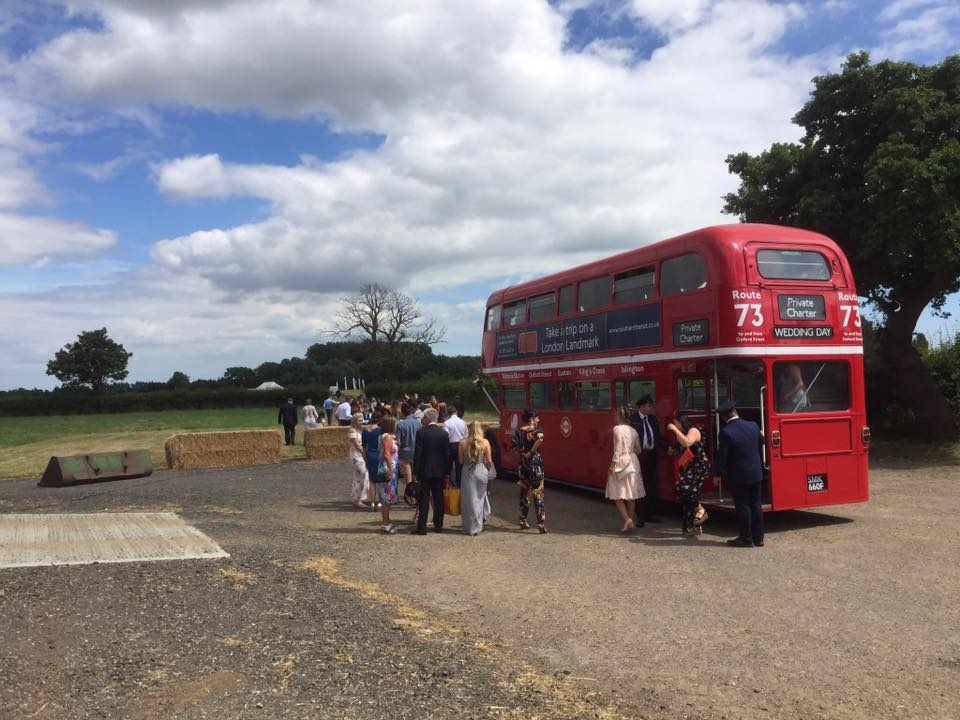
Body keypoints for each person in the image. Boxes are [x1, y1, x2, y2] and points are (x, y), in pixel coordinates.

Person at [715, 399, 765, 547]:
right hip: (756, 472)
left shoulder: (725, 432)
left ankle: (746, 538)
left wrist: (717, 474)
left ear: (723, 417)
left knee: (743, 505)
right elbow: (761, 442)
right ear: (736, 411)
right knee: (756, 504)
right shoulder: (753, 425)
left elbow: (722, 455)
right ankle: (759, 538)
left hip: (739, 475)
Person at [665, 414, 711, 535]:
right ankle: (692, 525)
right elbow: (679, 447)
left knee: (681, 487)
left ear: (682, 423)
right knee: (686, 495)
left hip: (700, 466)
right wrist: (672, 449)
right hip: (689, 467)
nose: (675, 426)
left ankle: (699, 508)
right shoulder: (682, 433)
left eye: (676, 423)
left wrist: (674, 430)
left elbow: (687, 442)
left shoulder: (693, 431)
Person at [411, 408, 451, 534]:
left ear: (428, 418)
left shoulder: (421, 433)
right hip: (440, 470)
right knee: (438, 498)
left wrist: (415, 471)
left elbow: (418, 453)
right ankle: (438, 525)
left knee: (424, 498)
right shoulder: (443, 434)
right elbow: (447, 455)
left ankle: (422, 526)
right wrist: (447, 471)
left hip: (425, 469)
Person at [607, 406, 644, 533]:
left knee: (617, 492)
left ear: (618, 416)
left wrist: (612, 465)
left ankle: (627, 519)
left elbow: (617, 449)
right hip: (633, 461)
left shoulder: (617, 429)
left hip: (622, 460)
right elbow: (639, 449)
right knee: (631, 494)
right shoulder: (634, 431)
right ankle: (629, 520)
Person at [630, 394, 664, 524]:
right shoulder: (633, 420)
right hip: (639, 456)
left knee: (651, 486)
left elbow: (658, 438)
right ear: (642, 406)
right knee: (639, 486)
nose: (651, 408)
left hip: (651, 455)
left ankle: (649, 514)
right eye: (649, 406)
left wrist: (667, 448)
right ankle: (640, 516)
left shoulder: (653, 419)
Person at [511, 409, 546, 533]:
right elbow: (540, 440)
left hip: (523, 466)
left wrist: (522, 453)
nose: (538, 420)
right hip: (536, 465)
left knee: (524, 494)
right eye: (537, 417)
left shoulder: (518, 432)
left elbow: (513, 448)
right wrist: (531, 452)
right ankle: (541, 523)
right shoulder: (538, 430)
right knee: (538, 493)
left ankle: (522, 519)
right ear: (532, 418)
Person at [459, 420, 493, 536]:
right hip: (481, 470)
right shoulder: (486, 442)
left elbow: (460, 461)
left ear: (469, 429)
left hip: (468, 470)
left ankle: (469, 527)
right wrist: (486, 470)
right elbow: (489, 461)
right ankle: (478, 526)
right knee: (479, 499)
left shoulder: (463, 442)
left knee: (469, 500)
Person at [372, 415, 400, 533]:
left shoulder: (386, 436)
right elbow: (387, 454)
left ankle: (387, 521)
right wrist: (390, 469)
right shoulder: (387, 437)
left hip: (389, 467)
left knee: (388, 496)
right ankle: (385, 523)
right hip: (388, 468)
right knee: (386, 497)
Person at [347, 413, 371, 508]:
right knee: (364, 474)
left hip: (361, 454)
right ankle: (359, 499)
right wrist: (365, 455)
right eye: (359, 420)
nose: (361, 422)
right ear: (354, 421)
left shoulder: (361, 429)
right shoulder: (352, 430)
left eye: (362, 420)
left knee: (358, 477)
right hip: (356, 455)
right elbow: (357, 445)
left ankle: (356, 498)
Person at [443, 402, 469, 486]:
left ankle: (448, 485)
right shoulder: (463, 422)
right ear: (456, 412)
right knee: (459, 466)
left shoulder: (447, 423)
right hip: (461, 444)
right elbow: (466, 436)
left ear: (448, 413)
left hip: (450, 445)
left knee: (448, 467)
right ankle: (459, 485)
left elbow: (445, 436)